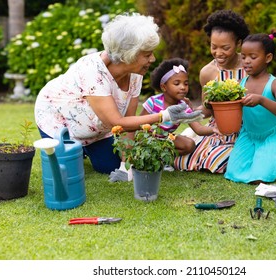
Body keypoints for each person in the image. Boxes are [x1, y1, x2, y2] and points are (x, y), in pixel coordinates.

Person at [34, 13, 203, 179]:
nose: (153, 59)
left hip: (96, 130)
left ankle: (86, 148)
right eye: (147, 54)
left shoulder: (135, 73)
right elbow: (116, 122)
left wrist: (125, 166)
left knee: (110, 166)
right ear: (128, 54)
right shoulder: (92, 70)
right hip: (59, 123)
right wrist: (165, 115)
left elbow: (129, 121)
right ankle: (80, 150)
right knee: (67, 171)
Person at [173, 10, 249, 173]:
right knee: (187, 161)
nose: (218, 53)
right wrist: (189, 112)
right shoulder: (208, 72)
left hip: (249, 129)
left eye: (225, 47)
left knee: (220, 161)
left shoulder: (249, 67)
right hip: (220, 130)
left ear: (239, 43)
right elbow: (208, 109)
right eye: (214, 47)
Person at [224, 29, 276, 184]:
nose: (246, 61)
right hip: (248, 134)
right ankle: (268, 157)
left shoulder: (274, 84)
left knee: (260, 178)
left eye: (253, 57)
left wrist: (262, 100)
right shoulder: (240, 84)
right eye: (243, 56)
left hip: (271, 135)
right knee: (233, 174)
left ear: (268, 58)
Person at [140, 58, 220, 157]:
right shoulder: (153, 102)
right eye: (177, 83)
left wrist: (216, 129)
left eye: (185, 84)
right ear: (164, 87)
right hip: (147, 139)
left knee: (189, 144)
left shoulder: (183, 107)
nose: (183, 87)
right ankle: (152, 156)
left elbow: (199, 129)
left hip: (166, 140)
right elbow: (140, 124)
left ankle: (164, 158)